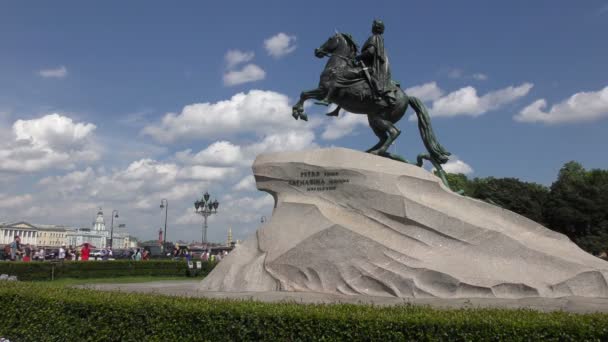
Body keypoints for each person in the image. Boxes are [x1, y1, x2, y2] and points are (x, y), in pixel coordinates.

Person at [355, 19, 395, 105]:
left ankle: (377, 95)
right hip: (381, 67)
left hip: (374, 67)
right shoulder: (380, 39)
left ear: (374, 27)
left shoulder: (374, 38)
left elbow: (371, 51)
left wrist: (359, 56)